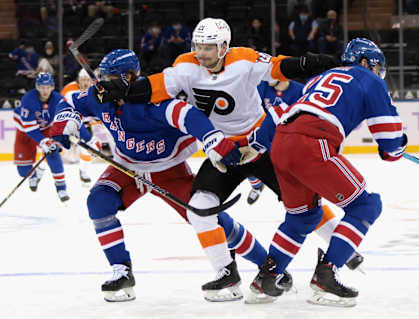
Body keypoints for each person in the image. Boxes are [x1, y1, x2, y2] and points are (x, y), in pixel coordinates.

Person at [93, 18, 365, 303]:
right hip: (222, 149)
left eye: (208, 47)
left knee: (302, 202)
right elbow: (152, 87)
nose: (201, 53)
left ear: (223, 46)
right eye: (197, 45)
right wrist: (118, 91)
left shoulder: (244, 60)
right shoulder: (186, 65)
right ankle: (227, 272)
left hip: (262, 146)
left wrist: (319, 62)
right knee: (199, 208)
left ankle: (344, 250)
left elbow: (282, 67)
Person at [50, 49, 276, 302]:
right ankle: (121, 271)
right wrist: (64, 123)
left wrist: (214, 141)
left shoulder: (153, 98)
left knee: (206, 218)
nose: (102, 82)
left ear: (130, 76)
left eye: (110, 77)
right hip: (127, 167)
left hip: (169, 171)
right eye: (102, 76)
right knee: (98, 202)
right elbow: (68, 101)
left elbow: (189, 116)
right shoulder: (99, 95)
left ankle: (266, 265)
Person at [247, 38, 407, 307]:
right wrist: (397, 147)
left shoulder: (318, 78)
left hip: (283, 143)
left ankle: (266, 279)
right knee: (366, 205)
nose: (378, 72)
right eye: (376, 66)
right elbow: (391, 145)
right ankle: (326, 276)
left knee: (303, 218)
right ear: (365, 62)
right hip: (312, 143)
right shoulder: (370, 79)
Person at [246, 79, 304, 205]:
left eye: (271, 74)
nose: (266, 77)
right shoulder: (262, 86)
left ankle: (297, 200)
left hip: (287, 137)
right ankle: (257, 186)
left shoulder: (300, 90)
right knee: (246, 159)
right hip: (263, 133)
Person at [13, 72, 69, 202]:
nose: (45, 90)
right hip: (25, 130)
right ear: (37, 87)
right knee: (23, 171)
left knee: (53, 152)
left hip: (45, 128)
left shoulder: (58, 99)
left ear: (52, 86)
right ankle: (33, 175)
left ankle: (61, 188)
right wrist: (44, 141)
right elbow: (30, 128)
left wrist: (58, 139)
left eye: (48, 86)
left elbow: (64, 120)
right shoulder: (28, 98)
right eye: (42, 87)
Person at [61, 68, 106, 185]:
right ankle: (43, 170)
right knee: (57, 149)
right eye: (82, 80)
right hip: (67, 123)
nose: (85, 82)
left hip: (84, 124)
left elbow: (98, 111)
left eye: (87, 80)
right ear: (78, 80)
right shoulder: (70, 89)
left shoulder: (95, 92)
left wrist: (100, 121)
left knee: (89, 147)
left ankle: (83, 171)